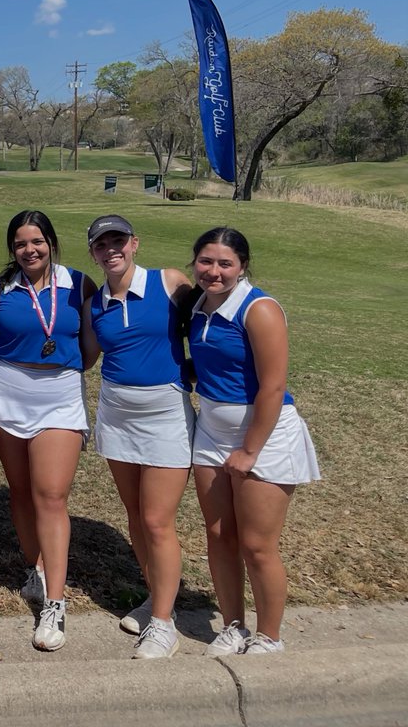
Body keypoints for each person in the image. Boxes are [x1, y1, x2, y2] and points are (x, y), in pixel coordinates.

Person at [186, 227, 320, 656]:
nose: (214, 271)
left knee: (257, 544)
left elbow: (272, 386)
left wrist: (249, 451)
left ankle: (270, 636)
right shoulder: (197, 304)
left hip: (264, 435)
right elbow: (207, 362)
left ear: (242, 266)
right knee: (219, 534)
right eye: (206, 261)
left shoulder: (259, 309)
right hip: (210, 431)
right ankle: (233, 626)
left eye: (225, 263)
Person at [0, 209, 95, 651]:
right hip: (6, 393)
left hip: (59, 397)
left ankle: (55, 604)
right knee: (21, 491)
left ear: (51, 242)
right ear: (12, 248)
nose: (30, 250)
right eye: (21, 243)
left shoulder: (79, 285)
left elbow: (88, 351)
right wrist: (8, 355)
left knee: (51, 495)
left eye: (38, 241)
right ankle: (37, 569)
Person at [81, 214, 194, 659]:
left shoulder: (169, 282)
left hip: (166, 412)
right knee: (134, 514)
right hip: (117, 411)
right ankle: (155, 598)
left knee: (156, 520)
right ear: (92, 252)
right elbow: (87, 357)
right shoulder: (96, 304)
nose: (111, 249)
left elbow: (207, 325)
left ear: (134, 244)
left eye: (119, 240)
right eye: (101, 243)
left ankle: (165, 625)